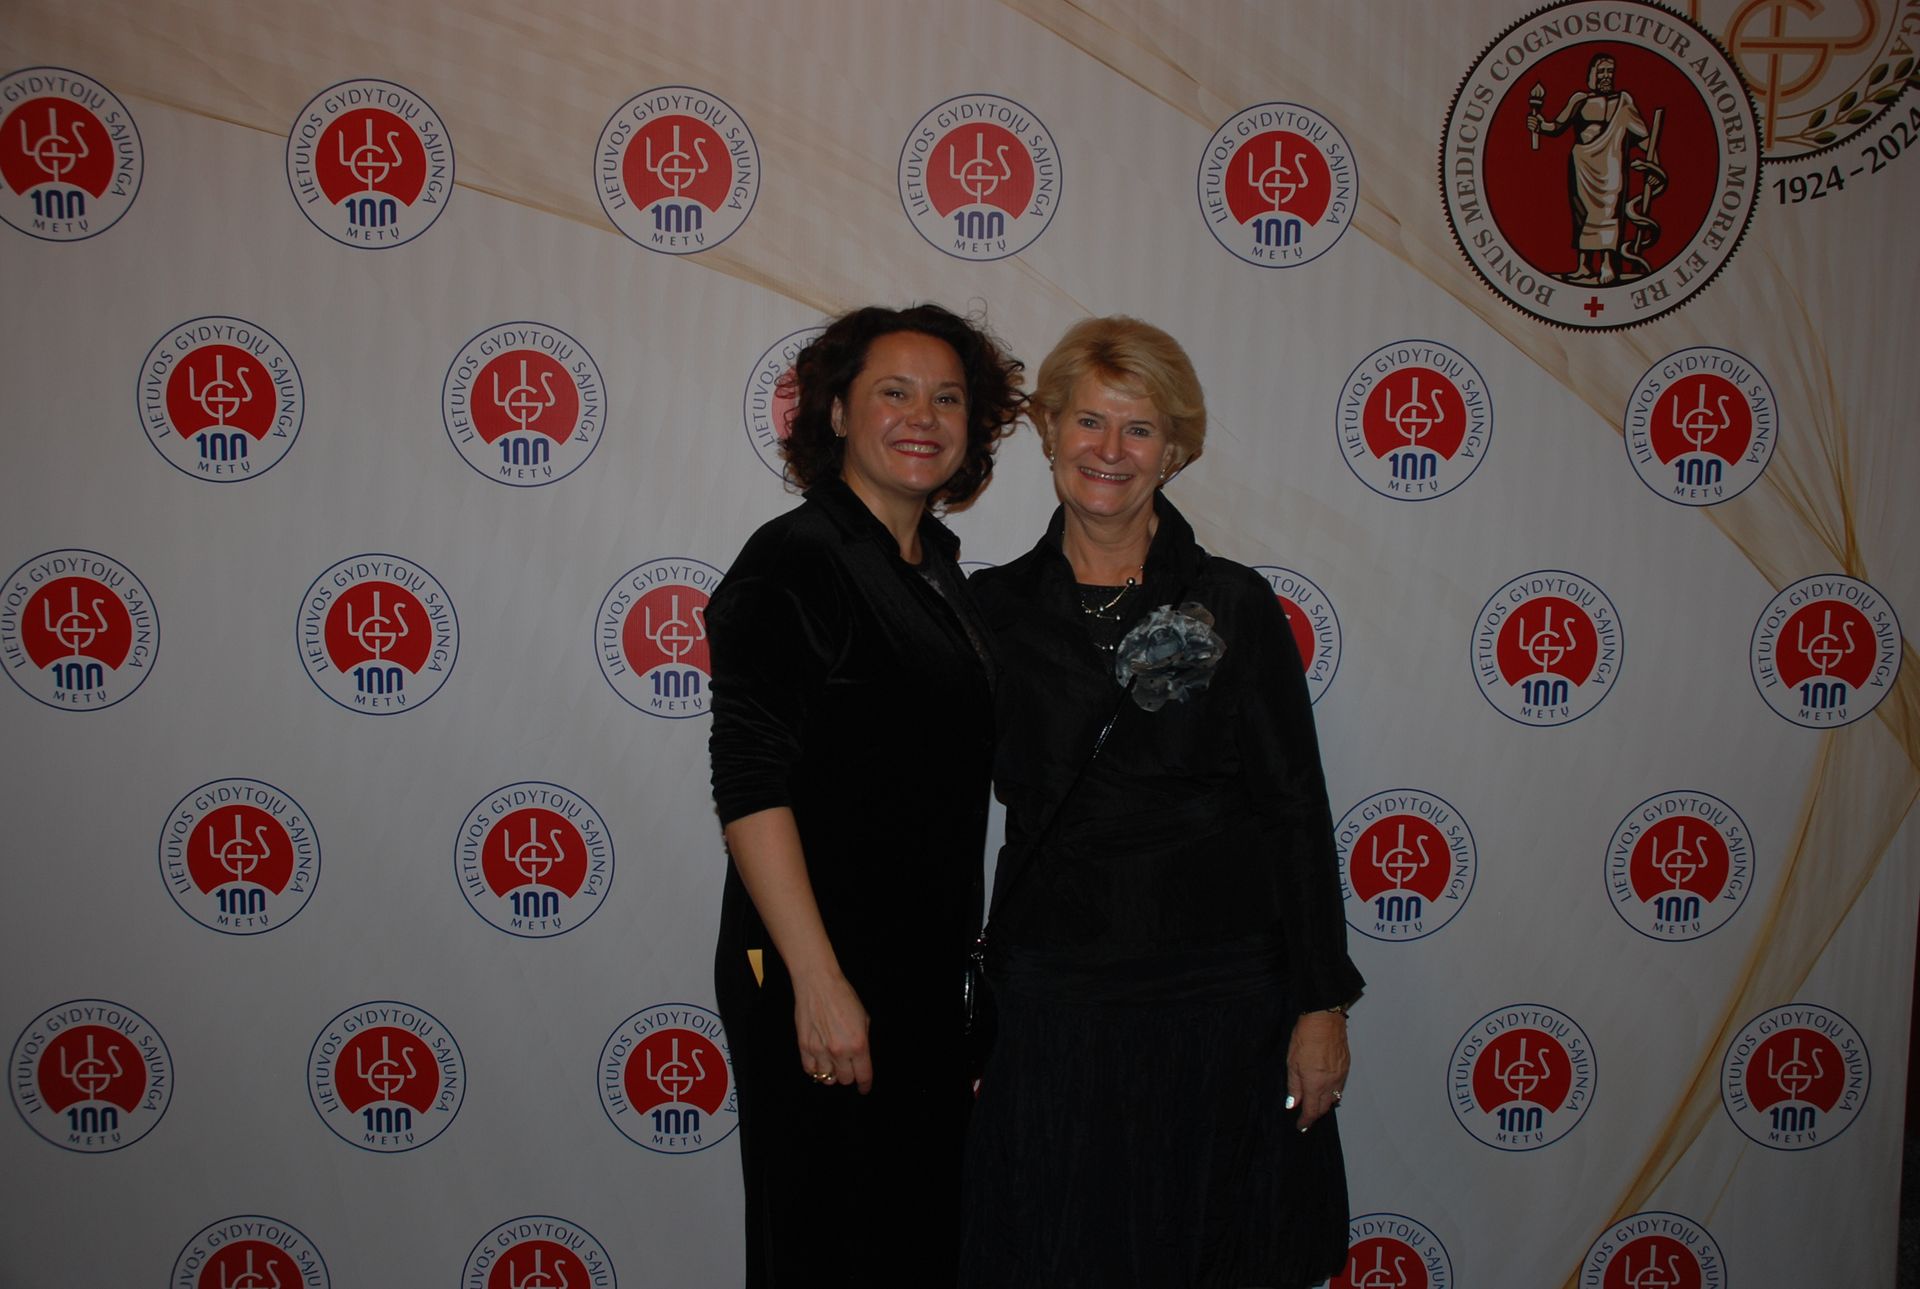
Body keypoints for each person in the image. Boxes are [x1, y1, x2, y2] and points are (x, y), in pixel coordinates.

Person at [960, 317, 1363, 1288]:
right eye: (1088, 420)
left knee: (1211, 1254)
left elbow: (1294, 812)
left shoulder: (1233, 605)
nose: (1110, 448)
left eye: (1138, 428)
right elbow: (933, 815)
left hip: (1216, 1001)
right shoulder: (990, 611)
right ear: (1048, 431)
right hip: (1056, 1000)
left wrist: (1320, 1005)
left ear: (1174, 451)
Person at [707, 303, 1024, 1286]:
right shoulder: (798, 558)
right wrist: (818, 982)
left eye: (947, 398)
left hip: (918, 978)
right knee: (828, 1247)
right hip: (818, 972)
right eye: (894, 391)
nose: (922, 415)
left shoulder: (937, 569)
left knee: (911, 1243)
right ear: (838, 412)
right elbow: (749, 781)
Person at [1528, 52, 1663, 284]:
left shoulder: (1624, 102)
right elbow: (1556, 126)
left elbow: (1644, 140)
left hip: (1611, 163)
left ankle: (1607, 264)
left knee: (1610, 212)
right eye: (1601, 71)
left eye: (1610, 71)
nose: (1606, 76)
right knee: (1582, 214)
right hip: (1582, 165)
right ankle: (1583, 266)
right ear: (1592, 74)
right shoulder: (1580, 100)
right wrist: (1538, 125)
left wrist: (1654, 166)